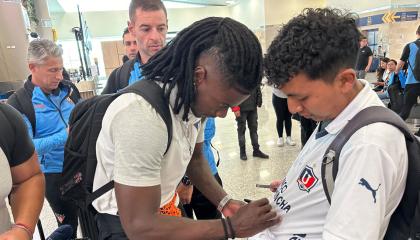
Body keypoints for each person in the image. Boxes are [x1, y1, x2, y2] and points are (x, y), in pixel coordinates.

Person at [92, 16, 280, 239]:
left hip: (164, 207)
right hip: (125, 225)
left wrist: (225, 202)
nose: (222, 114)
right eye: (223, 105)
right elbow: (139, 226)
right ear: (198, 76)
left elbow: (196, 159)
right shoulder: (142, 116)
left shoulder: (191, 99)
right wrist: (231, 227)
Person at [253, 8, 408, 239]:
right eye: (288, 97)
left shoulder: (368, 146)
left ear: (345, 80)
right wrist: (297, 186)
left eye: (301, 97)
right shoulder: (336, 111)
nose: (293, 108)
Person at [7, 39, 81, 238]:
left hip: (81, 165)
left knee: (94, 215)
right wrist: (64, 135)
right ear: (33, 67)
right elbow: (28, 148)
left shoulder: (69, 91)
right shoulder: (20, 103)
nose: (59, 76)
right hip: (53, 175)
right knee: (68, 227)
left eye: (61, 69)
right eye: (52, 70)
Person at [101, 0, 167, 94]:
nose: (155, 37)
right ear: (132, 29)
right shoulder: (119, 76)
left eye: (161, 28)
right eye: (146, 29)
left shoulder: (183, 69)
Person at [0, 103, 45, 240]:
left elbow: (28, 177)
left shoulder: (5, 119)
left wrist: (23, 228)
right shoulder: (22, 99)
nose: (59, 79)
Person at [180, 117, 224, 220]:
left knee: (213, 228)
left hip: (200, 176)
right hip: (181, 179)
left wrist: (188, 180)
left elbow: (200, 140)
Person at [232, 86, 269, 160]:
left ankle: (256, 150)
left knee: (254, 130)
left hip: (253, 107)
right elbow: (232, 92)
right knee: (241, 131)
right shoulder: (237, 75)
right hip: (241, 109)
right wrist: (235, 108)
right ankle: (242, 152)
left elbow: (257, 86)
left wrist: (259, 99)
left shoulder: (253, 74)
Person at [397, 25, 420, 136]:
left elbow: (400, 66)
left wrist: (396, 72)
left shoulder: (410, 46)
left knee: (406, 109)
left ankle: (395, 129)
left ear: (417, 33)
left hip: (412, 82)